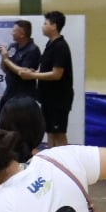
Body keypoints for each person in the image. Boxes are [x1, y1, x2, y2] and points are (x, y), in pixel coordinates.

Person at [21, 10, 75, 148]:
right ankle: (53, 163)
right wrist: (35, 71)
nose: (42, 26)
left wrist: (32, 76)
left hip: (59, 99)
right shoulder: (50, 44)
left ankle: (67, 165)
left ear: (54, 26)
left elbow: (57, 74)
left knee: (59, 133)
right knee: (50, 132)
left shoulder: (60, 46)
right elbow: (47, 69)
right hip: (48, 98)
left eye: (45, 23)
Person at [0, 19, 41, 111]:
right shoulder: (13, 46)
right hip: (9, 93)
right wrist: (3, 56)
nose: (11, 33)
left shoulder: (33, 50)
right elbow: (5, 69)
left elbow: (23, 73)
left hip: (24, 97)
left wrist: (6, 59)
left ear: (22, 34)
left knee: (21, 124)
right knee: (3, 122)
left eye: (14, 31)